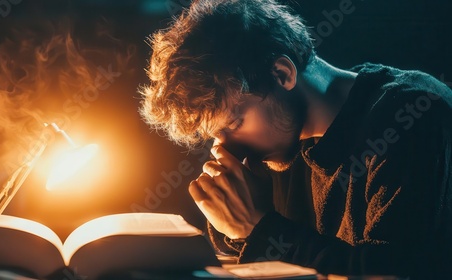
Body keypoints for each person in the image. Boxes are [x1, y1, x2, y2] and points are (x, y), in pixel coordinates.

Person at [139, 0, 452, 278]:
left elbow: (390, 274)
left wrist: (258, 227)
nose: (224, 147)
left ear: (282, 74)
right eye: (215, 134)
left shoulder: (410, 115)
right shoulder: (276, 146)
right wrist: (235, 225)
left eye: (235, 122)